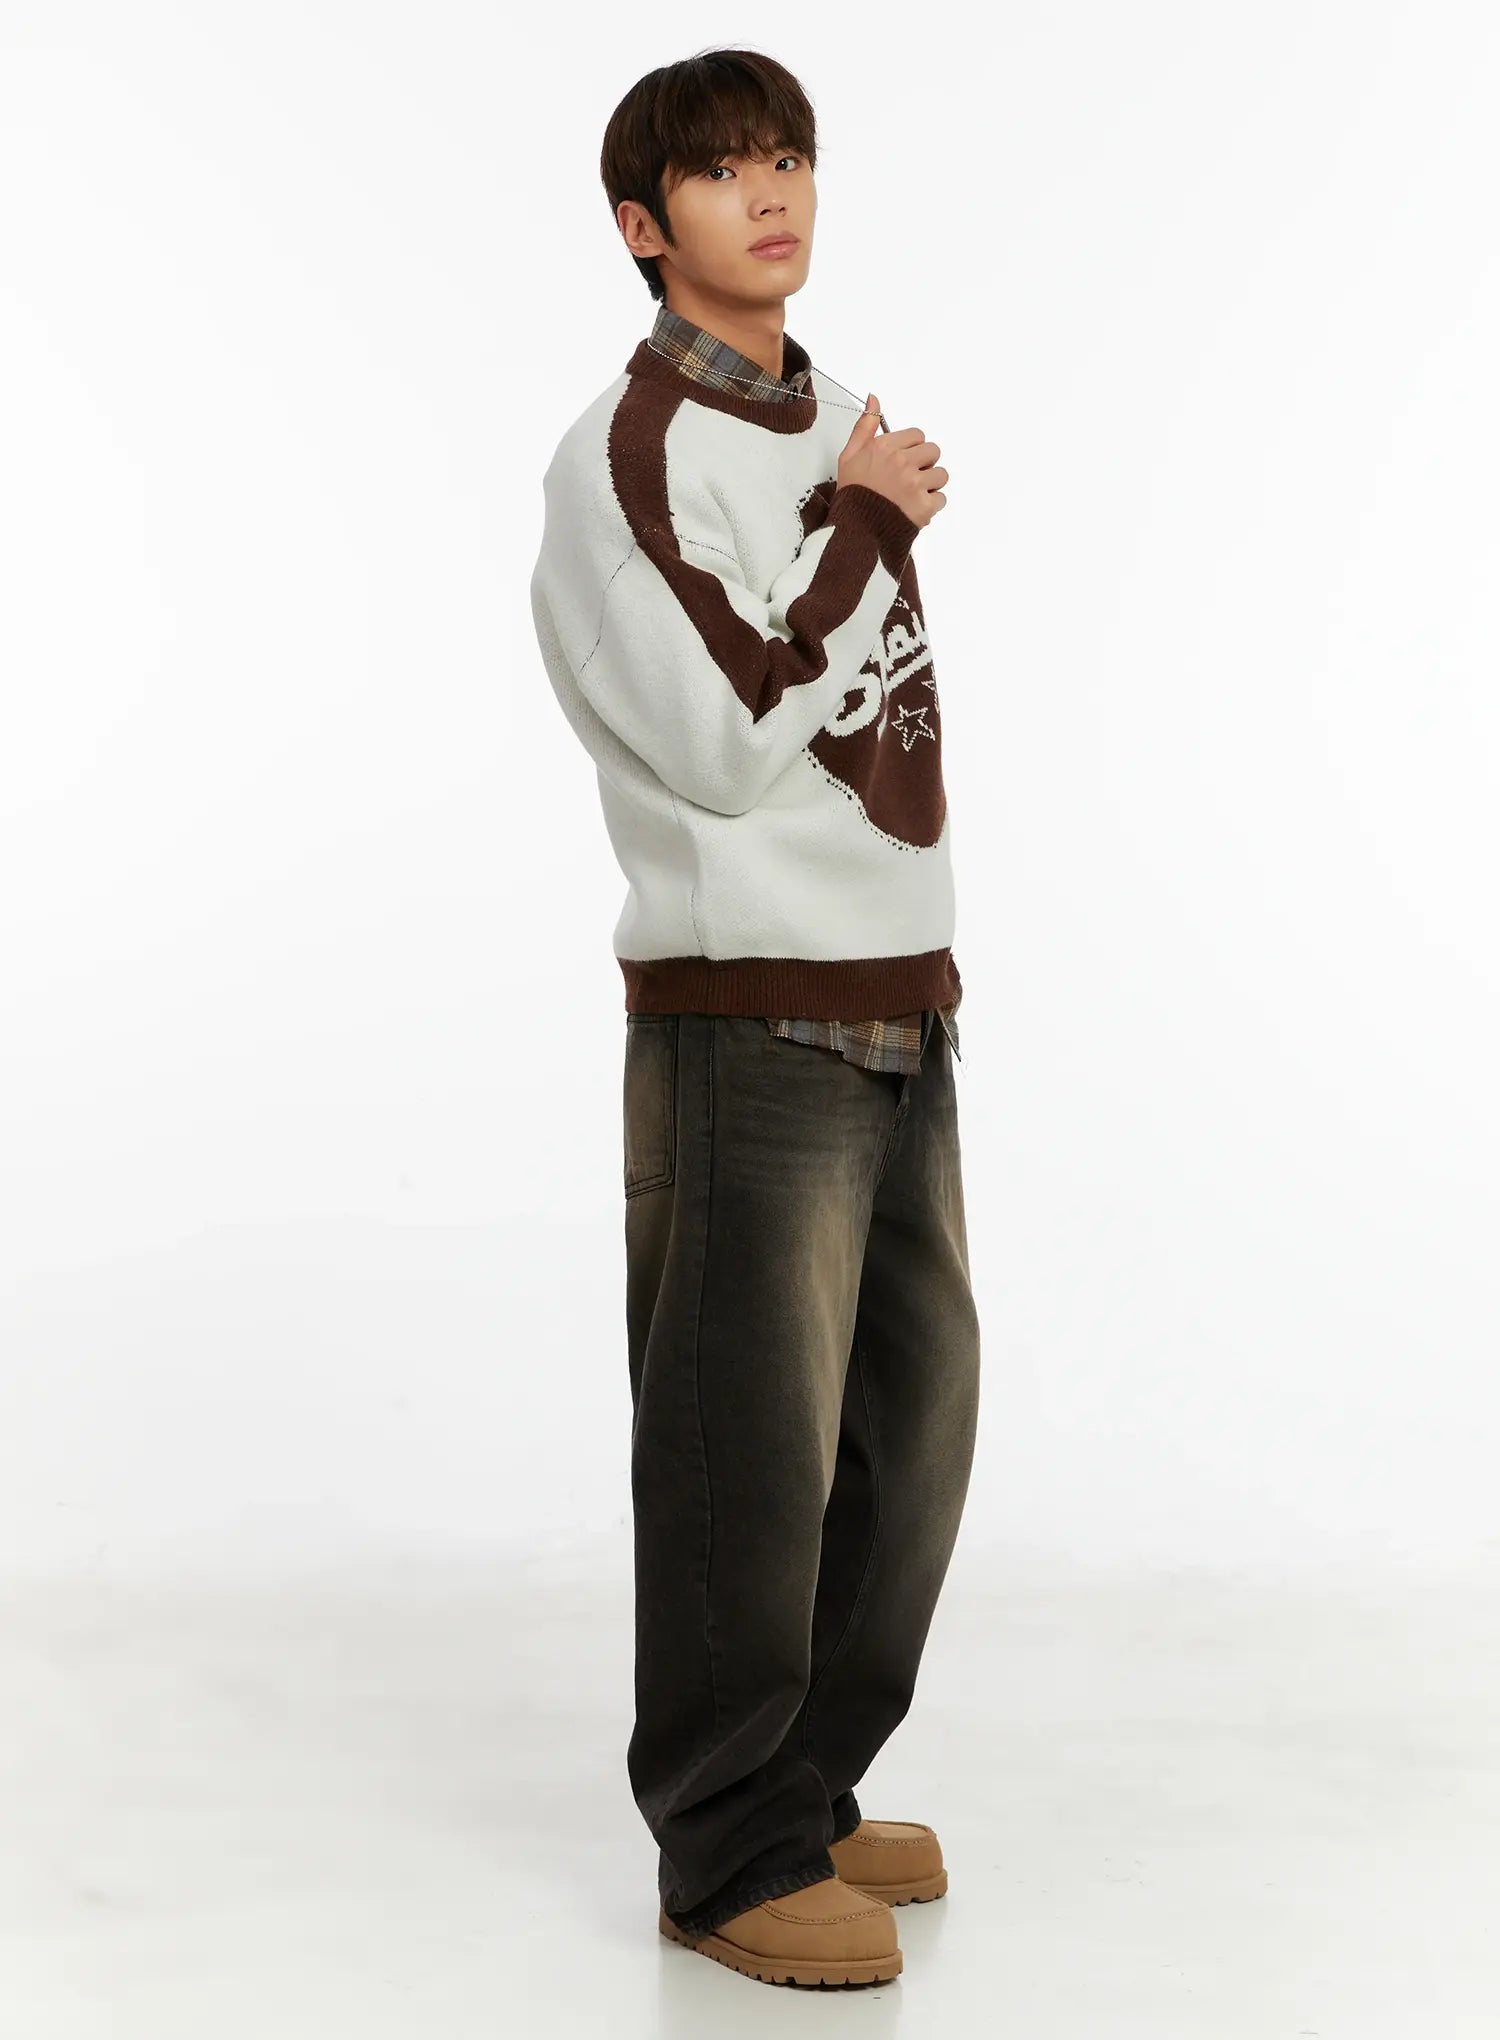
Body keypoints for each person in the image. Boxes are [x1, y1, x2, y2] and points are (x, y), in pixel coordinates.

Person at [528, 45, 981, 1990]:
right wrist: (866, 526)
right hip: (747, 1012)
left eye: (789, 156)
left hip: (897, 990)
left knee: (910, 1431)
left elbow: (866, 705)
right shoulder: (627, 457)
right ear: (647, 228)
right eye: (725, 173)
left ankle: (801, 1788)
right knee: (746, 1450)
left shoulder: (838, 412)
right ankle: (722, 1855)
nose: (773, 194)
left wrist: (860, 509)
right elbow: (722, 744)